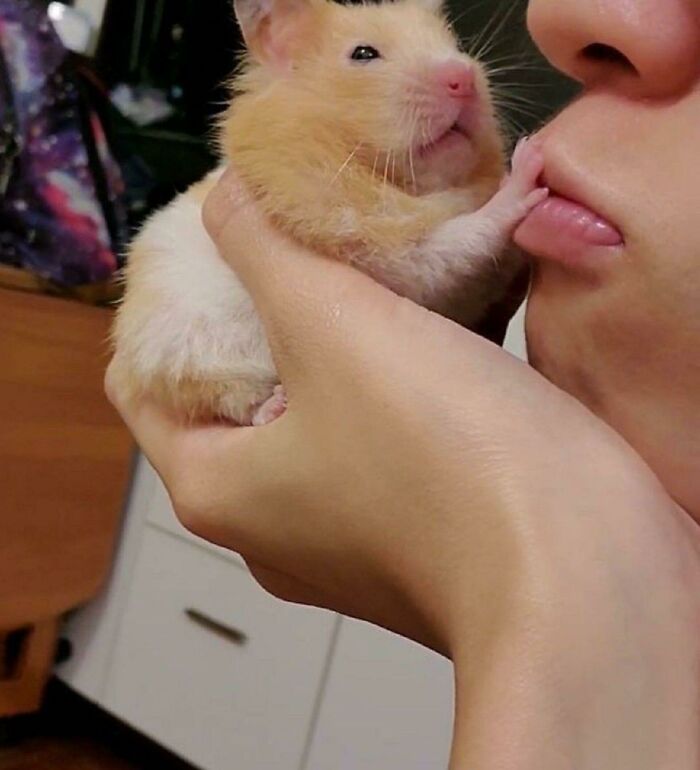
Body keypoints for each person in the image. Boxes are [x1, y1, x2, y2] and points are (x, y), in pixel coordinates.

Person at [106, 0, 700, 765]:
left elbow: (425, 267)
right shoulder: (287, 175)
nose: (562, 15)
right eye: (365, 56)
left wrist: (571, 575)